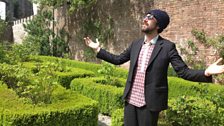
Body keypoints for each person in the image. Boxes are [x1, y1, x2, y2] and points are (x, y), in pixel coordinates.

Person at [84, 9, 224, 126]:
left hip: (149, 103)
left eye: (150, 17)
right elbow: (118, 59)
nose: (145, 19)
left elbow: (183, 72)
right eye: (145, 16)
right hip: (130, 100)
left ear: (158, 25)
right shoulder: (136, 44)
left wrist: (206, 72)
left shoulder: (167, 47)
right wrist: (98, 50)